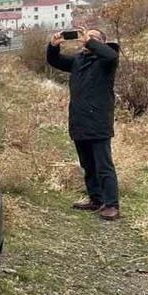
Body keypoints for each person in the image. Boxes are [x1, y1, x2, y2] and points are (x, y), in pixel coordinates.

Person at [46, 28, 121, 221]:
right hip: (79, 122)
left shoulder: (106, 61)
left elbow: (111, 55)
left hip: (98, 122)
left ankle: (112, 205)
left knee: (103, 166)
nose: (87, 39)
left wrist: (90, 41)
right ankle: (96, 200)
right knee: (88, 165)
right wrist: (53, 46)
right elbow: (55, 61)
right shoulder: (78, 61)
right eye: (87, 36)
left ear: (101, 42)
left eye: (94, 37)